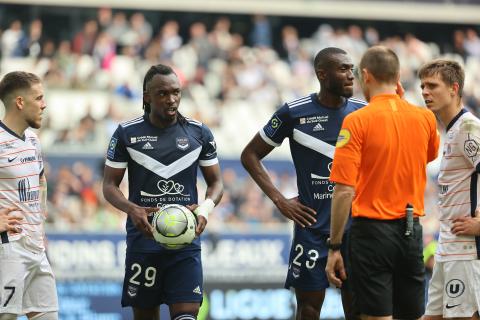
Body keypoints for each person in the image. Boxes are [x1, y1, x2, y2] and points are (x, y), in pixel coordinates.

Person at [241, 47, 365, 320]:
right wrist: (279, 200)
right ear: (322, 74)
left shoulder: (364, 113)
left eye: (351, 68)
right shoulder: (293, 113)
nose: (350, 75)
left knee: (357, 311)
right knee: (308, 310)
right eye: (343, 69)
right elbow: (249, 155)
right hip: (312, 228)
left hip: (356, 230)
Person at [325, 46, 440, 320]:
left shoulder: (356, 121)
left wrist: (335, 247)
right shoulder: (424, 118)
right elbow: (427, 155)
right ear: (398, 75)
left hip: (371, 233)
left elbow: (343, 190)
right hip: (411, 232)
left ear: (366, 75)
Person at [103, 64, 223, 320]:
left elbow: (216, 183)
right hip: (143, 240)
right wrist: (131, 208)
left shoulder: (199, 133)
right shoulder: (126, 133)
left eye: (176, 92)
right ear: (146, 96)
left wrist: (205, 208)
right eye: (163, 94)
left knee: (187, 316)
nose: (172, 100)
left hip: (185, 240)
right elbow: (109, 186)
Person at [419, 59, 480, 319]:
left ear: (454, 88)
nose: (424, 92)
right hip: (447, 247)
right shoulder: (452, 129)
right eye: (422, 86)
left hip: (466, 251)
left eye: (432, 85)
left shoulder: (468, 127)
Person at [0, 71, 58, 319]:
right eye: (39, 98)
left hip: (36, 250)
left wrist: (39, 220)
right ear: (20, 102)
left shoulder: (33, 140)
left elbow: (40, 179)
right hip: (8, 249)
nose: (44, 104)